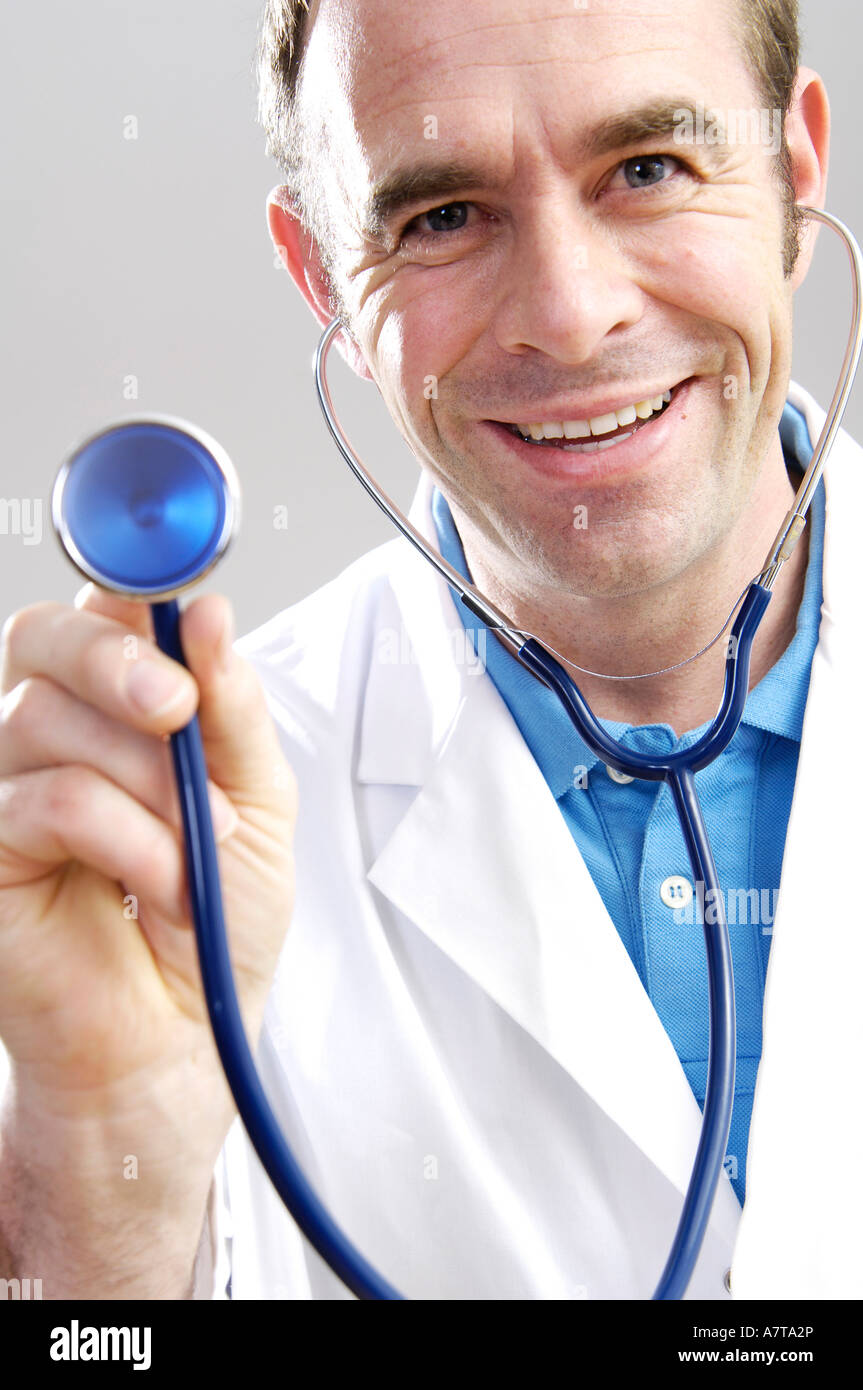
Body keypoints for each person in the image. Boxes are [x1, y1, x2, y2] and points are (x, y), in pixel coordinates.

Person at [0, 0, 860, 1301]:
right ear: (323, 279)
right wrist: (100, 1218)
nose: (569, 318)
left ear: (795, 177)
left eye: (647, 169)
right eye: (442, 214)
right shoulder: (158, 866)